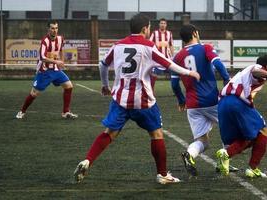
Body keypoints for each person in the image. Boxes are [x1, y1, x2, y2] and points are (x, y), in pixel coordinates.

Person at [73, 14, 200, 184]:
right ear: (144, 29)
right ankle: (162, 175)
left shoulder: (117, 45)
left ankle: (87, 160)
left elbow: (102, 65)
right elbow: (169, 65)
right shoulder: (148, 46)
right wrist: (189, 72)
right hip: (143, 101)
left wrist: (105, 85)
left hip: (120, 100)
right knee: (156, 134)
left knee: (109, 133)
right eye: (148, 28)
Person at [172, 24, 230, 177]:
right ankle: (222, 165)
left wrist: (181, 100)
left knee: (203, 142)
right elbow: (217, 64)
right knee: (230, 128)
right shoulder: (205, 48)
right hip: (211, 100)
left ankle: (190, 154)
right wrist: (226, 80)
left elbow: (174, 83)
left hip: (192, 105)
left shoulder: (177, 57)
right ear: (195, 33)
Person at [216, 55, 267, 178]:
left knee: (252, 135)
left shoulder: (246, 76)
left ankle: (226, 153)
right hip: (236, 103)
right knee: (264, 130)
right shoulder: (257, 69)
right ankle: (252, 168)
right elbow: (256, 70)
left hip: (223, 104)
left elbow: (250, 96)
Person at [16, 20, 78, 119]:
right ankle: (22, 111)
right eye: (52, 28)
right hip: (44, 71)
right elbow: (42, 57)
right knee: (34, 93)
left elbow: (61, 49)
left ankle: (65, 112)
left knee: (69, 86)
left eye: (56, 28)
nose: (55, 30)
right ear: (48, 29)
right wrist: (57, 62)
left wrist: (61, 62)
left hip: (56, 70)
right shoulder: (45, 41)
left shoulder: (60, 38)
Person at [149, 18, 185, 108]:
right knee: (152, 76)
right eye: (161, 23)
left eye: (164, 23)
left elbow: (171, 45)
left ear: (166, 25)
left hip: (167, 59)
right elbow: (150, 44)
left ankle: (179, 93)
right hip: (157, 60)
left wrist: (173, 56)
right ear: (159, 24)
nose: (163, 24)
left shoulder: (169, 34)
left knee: (176, 74)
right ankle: (151, 94)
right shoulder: (154, 33)